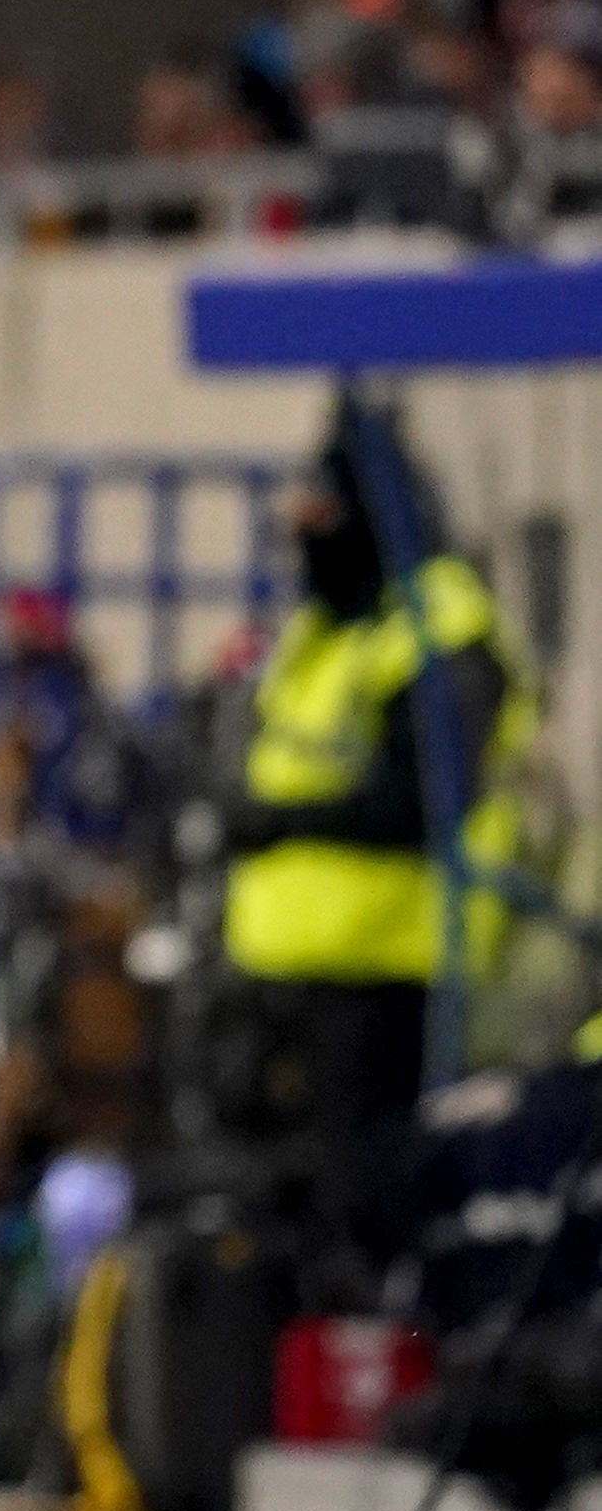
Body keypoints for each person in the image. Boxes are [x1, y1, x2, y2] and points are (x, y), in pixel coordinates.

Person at [226, 404, 532, 1276]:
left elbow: (423, 797)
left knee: (380, 1194)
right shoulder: (326, 630)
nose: (306, 543)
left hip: (393, 971)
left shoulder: (435, 627)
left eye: (322, 518)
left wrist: (283, 824)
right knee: (298, 1202)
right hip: (298, 975)